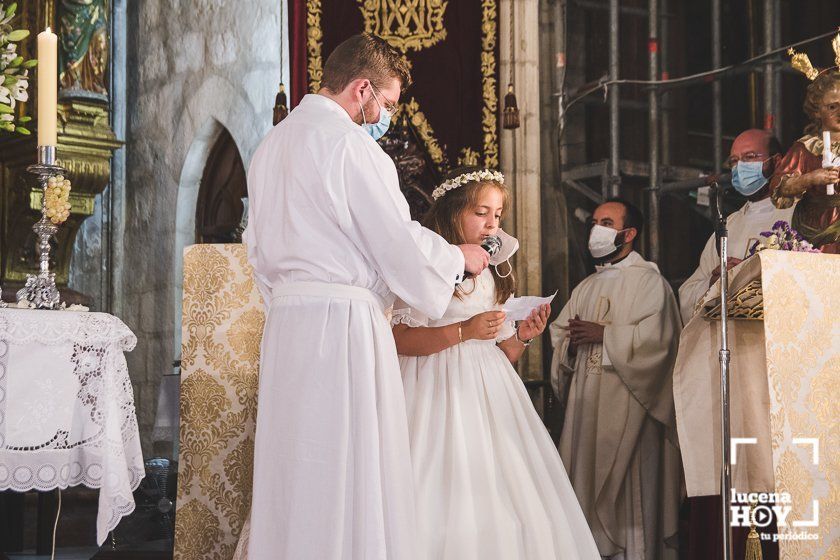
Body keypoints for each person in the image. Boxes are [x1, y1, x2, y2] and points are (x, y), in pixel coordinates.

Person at [244, 34, 490, 559]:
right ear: (362, 89)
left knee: (296, 464)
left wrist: (290, 301)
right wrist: (456, 259)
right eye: (388, 104)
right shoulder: (351, 147)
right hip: (345, 326)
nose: (387, 117)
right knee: (350, 461)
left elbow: (257, 251)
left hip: (288, 324)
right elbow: (394, 241)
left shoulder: (271, 147)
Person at [391, 167, 600, 560]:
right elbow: (399, 339)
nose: (491, 224)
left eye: (498, 214)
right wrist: (463, 331)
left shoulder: (494, 270)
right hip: (432, 389)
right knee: (434, 503)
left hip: (490, 392)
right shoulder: (426, 263)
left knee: (511, 505)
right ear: (454, 211)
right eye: (481, 212)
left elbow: (504, 354)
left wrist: (521, 336)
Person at [549, 199, 682, 560]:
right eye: (594, 221)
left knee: (627, 502)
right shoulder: (586, 287)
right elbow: (561, 337)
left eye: (606, 222)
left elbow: (661, 345)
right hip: (585, 409)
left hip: (632, 413)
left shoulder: (651, 285)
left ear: (629, 233)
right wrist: (570, 346)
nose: (597, 229)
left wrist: (606, 336)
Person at [678, 129, 793, 323]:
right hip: (731, 343)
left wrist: (746, 276)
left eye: (750, 157)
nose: (740, 167)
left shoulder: (801, 216)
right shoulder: (729, 225)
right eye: (734, 161)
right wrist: (712, 284)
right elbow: (687, 294)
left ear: (777, 161)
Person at [770, 69, 840, 253]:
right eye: (832, 106)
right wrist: (810, 178)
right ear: (817, 110)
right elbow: (779, 189)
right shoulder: (805, 149)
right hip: (818, 228)